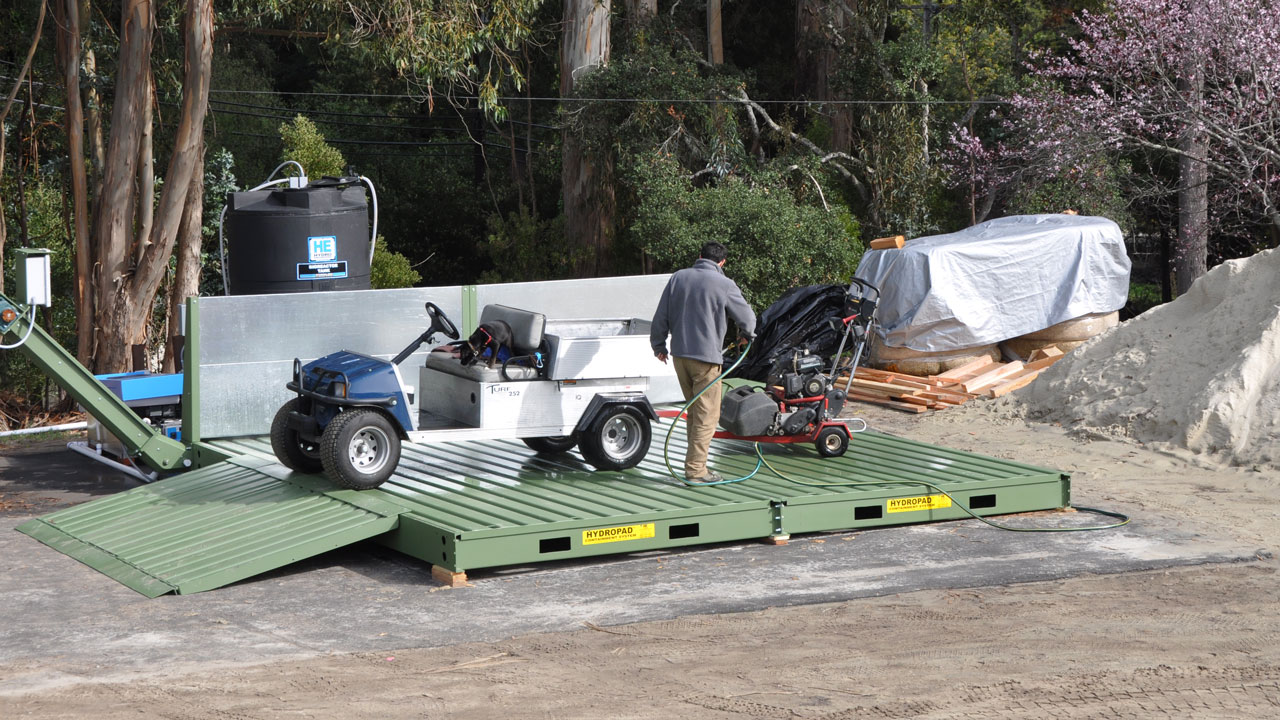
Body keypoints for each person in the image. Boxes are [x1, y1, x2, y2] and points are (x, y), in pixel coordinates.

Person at [651, 241, 757, 483]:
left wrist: (658, 345)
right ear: (722, 263)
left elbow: (661, 315)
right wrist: (746, 335)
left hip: (679, 357)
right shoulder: (724, 284)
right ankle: (696, 471)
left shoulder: (678, 277)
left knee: (694, 411)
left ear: (699, 256)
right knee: (707, 416)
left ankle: (694, 465)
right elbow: (748, 319)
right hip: (706, 360)